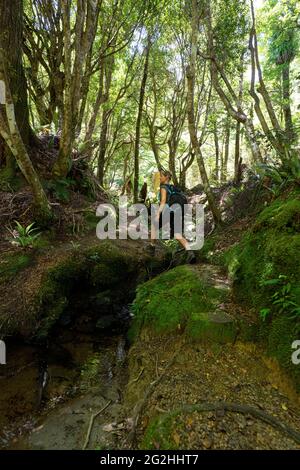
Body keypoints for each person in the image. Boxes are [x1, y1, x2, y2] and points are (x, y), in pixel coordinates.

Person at [148, 169, 196, 263]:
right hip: (177, 212)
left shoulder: (164, 187)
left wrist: (157, 214)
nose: (160, 177)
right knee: (177, 234)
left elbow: (163, 202)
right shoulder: (172, 188)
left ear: (166, 177)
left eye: (161, 176)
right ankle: (190, 253)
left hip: (167, 212)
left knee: (154, 226)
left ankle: (152, 248)